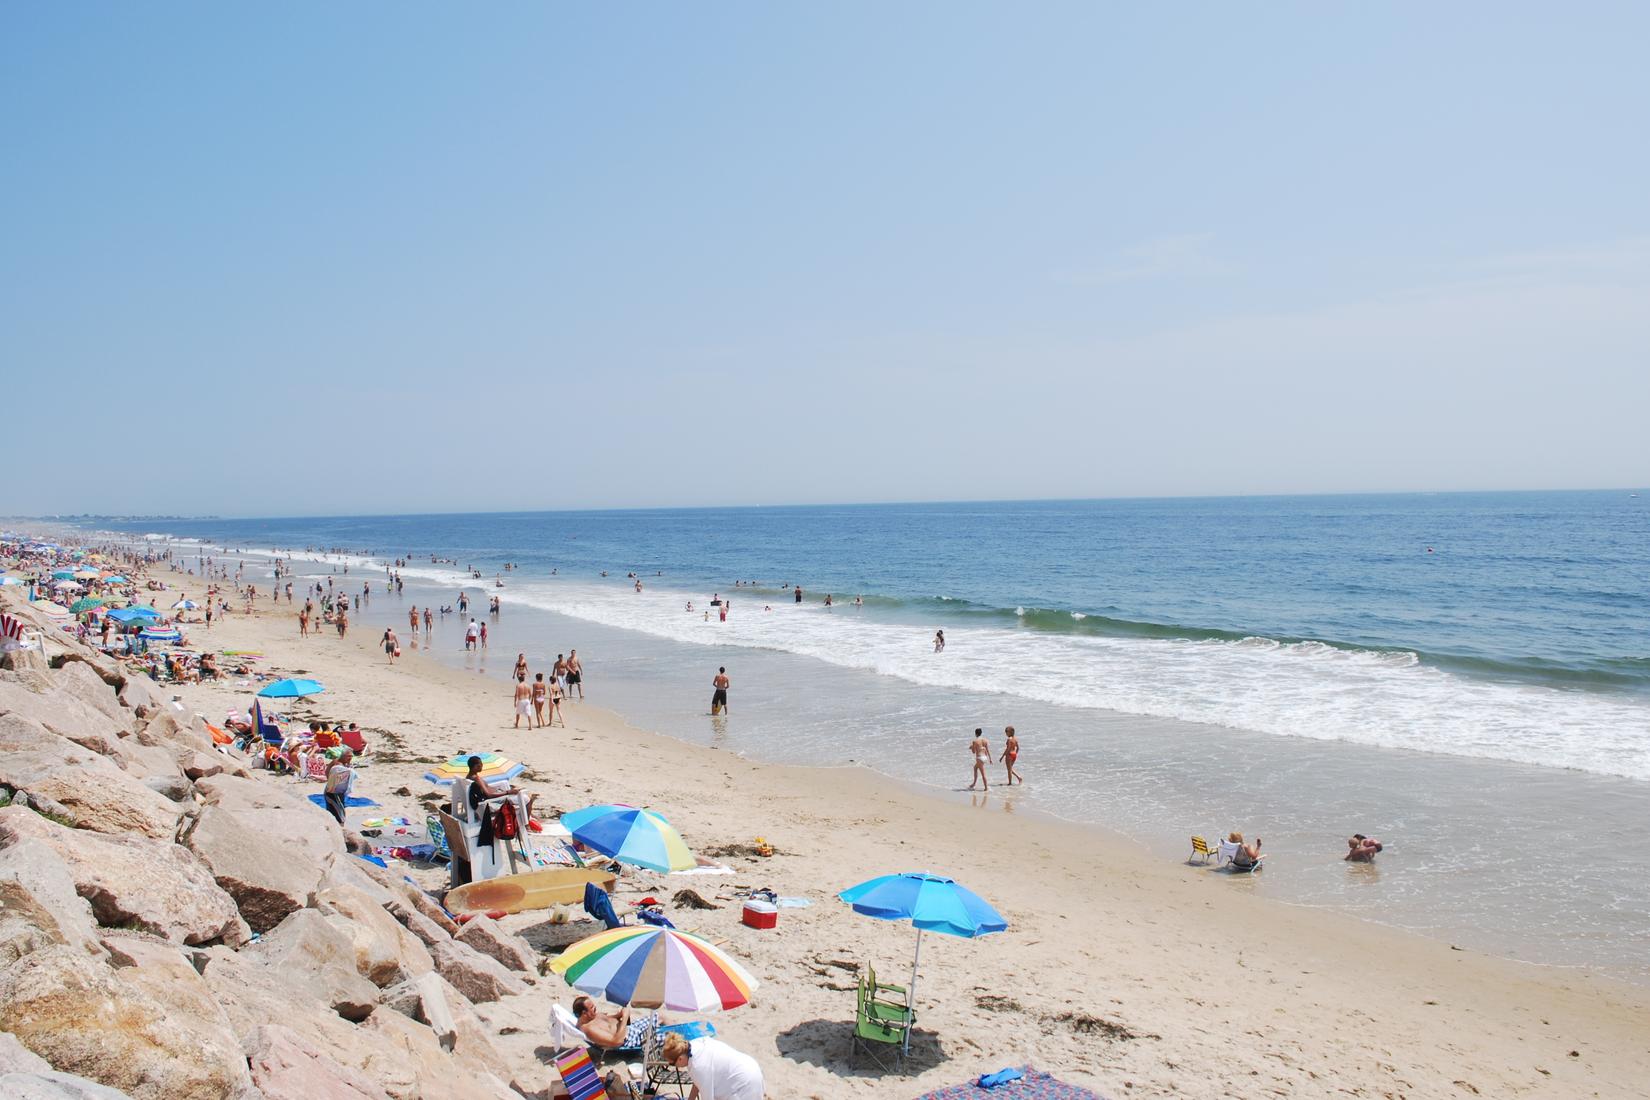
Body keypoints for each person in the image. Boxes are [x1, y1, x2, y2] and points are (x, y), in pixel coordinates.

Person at [660, 1033, 764, 1100]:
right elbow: (698, 1083)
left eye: (672, 1064)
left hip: (743, 1083)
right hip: (751, 1067)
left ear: (680, 1059)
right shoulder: (696, 1044)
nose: (674, 1067)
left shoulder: (698, 1066)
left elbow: (707, 1097)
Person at [571, 996, 655, 1052]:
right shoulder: (589, 1029)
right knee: (662, 1034)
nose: (595, 1008)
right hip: (630, 1038)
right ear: (584, 1013)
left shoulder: (592, 1016)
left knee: (660, 1016)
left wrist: (620, 1014)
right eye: (592, 1007)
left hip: (631, 1028)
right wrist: (625, 1018)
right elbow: (616, 1041)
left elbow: (609, 1020)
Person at [323, 749, 355, 825]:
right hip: (333, 792)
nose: (350, 758)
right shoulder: (338, 765)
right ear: (343, 756)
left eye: (351, 756)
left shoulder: (339, 762)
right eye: (348, 756)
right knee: (339, 813)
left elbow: (327, 771)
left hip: (332, 790)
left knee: (333, 810)